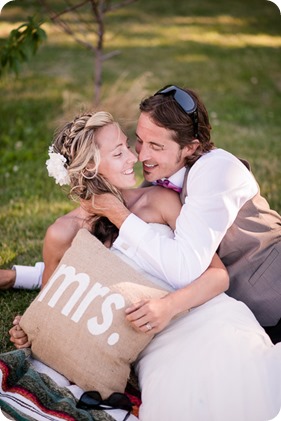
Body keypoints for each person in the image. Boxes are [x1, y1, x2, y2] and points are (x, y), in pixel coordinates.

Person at [8, 110, 281, 421]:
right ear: (91, 167)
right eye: (119, 151)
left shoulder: (159, 200)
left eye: (127, 146)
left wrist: (166, 308)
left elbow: (217, 277)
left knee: (257, 387)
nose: (134, 159)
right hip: (157, 349)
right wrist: (29, 331)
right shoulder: (63, 234)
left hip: (212, 319)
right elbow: (55, 305)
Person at [84, 84, 281, 343]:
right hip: (220, 314)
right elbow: (116, 251)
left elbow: (184, 269)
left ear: (190, 147)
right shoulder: (158, 180)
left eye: (156, 146)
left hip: (270, 298)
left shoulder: (217, 172)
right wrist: (28, 276)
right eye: (140, 140)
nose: (141, 155)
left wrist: (121, 215)